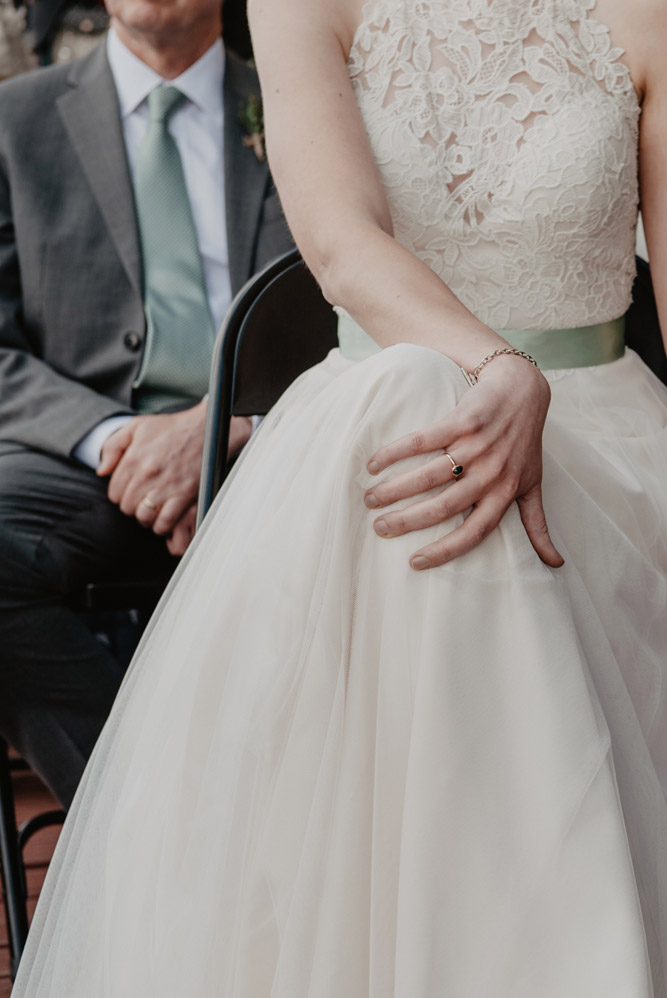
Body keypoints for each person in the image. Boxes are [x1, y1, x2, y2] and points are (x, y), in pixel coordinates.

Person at [13, 0, 667, 994]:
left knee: (441, 433)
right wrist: (496, 367)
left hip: (610, 455)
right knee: (421, 397)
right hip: (382, 426)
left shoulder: (654, 12)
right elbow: (339, 241)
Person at [0, 0, 293, 807]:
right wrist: (116, 440)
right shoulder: (13, 121)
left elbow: (341, 304)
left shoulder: (303, 96)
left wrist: (232, 424)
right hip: (93, 469)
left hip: (283, 447)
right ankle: (148, 826)